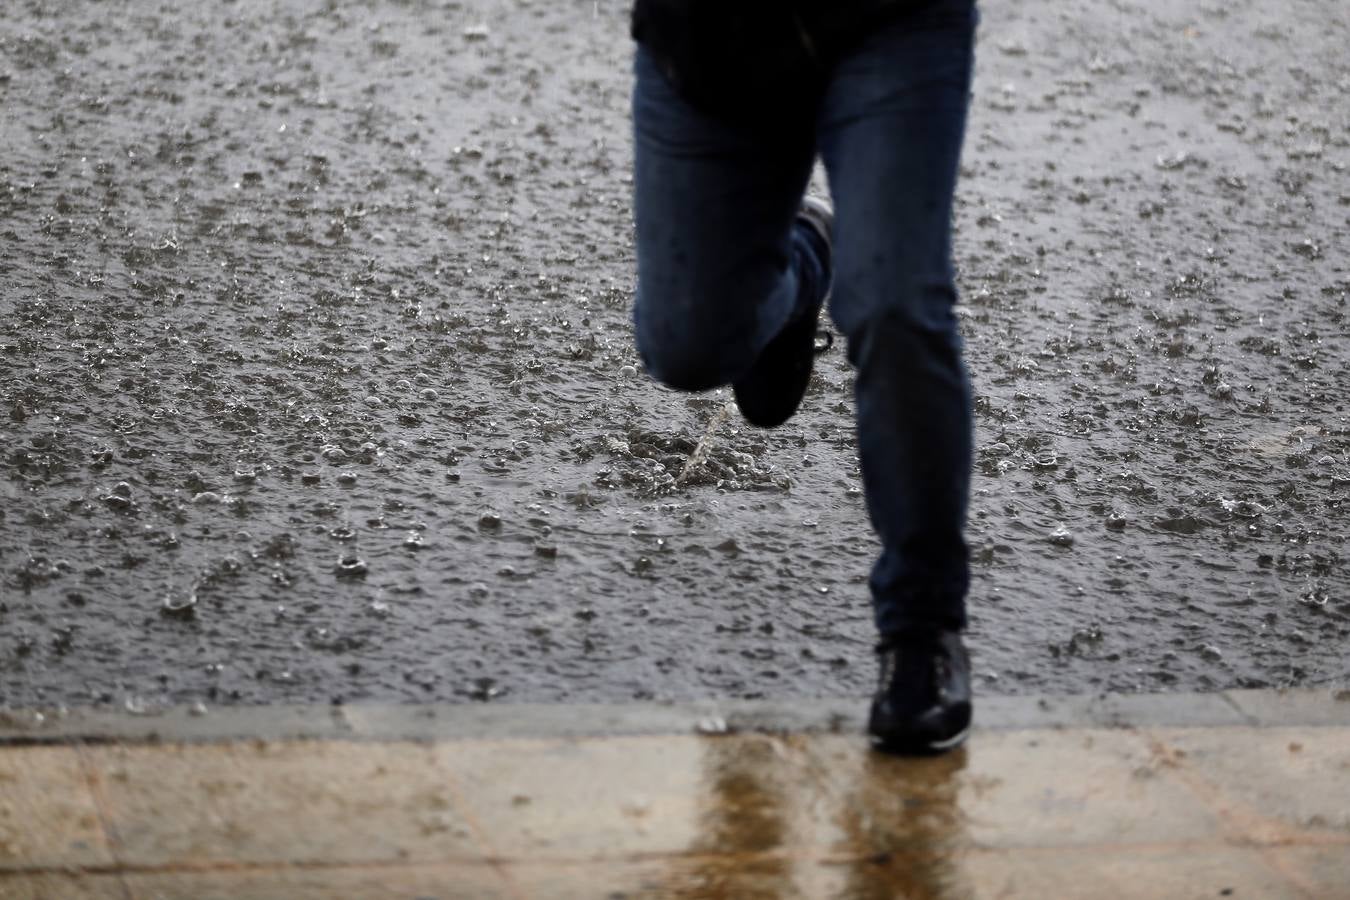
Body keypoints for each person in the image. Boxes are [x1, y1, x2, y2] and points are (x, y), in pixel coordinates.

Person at [629, 0, 978, 753]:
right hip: (707, 41)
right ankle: (806, 262)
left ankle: (922, 630)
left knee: (895, 301)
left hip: (892, 23)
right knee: (686, 345)